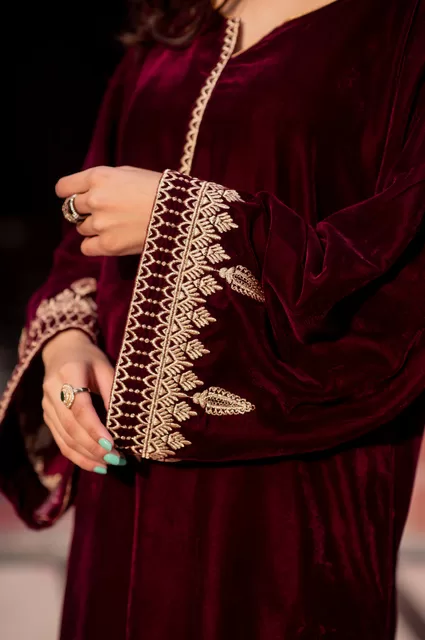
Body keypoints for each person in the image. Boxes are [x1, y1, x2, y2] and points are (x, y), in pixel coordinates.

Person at [1, 0, 424, 637]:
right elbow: (78, 242)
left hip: (290, 515)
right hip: (121, 505)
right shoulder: (176, 26)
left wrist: (178, 216)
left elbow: (401, 275)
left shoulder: (401, 32)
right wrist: (67, 347)